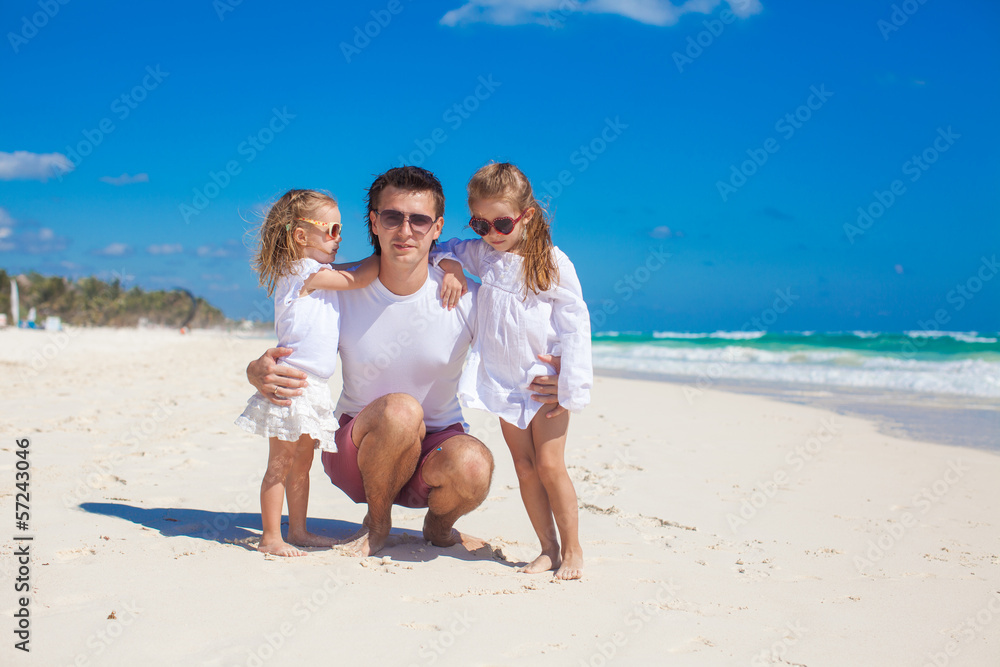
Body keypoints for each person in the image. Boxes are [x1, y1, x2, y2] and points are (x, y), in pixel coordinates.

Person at [246, 167, 565, 558]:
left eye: (419, 220)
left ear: (437, 228)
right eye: (393, 217)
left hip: (433, 453)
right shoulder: (338, 288)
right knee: (401, 410)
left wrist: (561, 372)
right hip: (356, 451)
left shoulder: (468, 298)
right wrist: (255, 370)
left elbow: (521, 340)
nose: (406, 230)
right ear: (375, 222)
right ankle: (377, 525)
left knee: (475, 463)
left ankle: (439, 526)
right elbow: (296, 338)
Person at [431, 162, 592, 580]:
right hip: (503, 382)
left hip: (544, 385)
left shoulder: (551, 262)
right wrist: (450, 266)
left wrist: (569, 385)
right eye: (480, 224)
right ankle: (547, 548)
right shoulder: (484, 254)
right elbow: (441, 245)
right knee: (523, 467)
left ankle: (573, 550)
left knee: (550, 465)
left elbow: (576, 324)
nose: (492, 233)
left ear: (528, 215)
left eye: (502, 222)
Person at [235, 189, 381, 557]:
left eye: (340, 231)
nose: (338, 238)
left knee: (302, 464)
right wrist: (387, 253)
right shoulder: (304, 271)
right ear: (301, 236)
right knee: (281, 465)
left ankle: (297, 530)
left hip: (313, 386)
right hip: (291, 386)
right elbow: (359, 279)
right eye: (331, 230)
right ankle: (271, 536)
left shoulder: (316, 273)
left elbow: (346, 274)